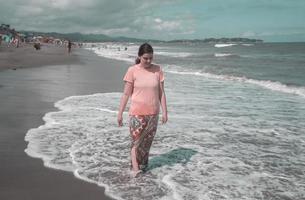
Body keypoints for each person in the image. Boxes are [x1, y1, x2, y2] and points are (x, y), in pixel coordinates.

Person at [118, 43, 168, 176]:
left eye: (151, 58)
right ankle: (135, 170)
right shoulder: (132, 70)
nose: (149, 61)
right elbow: (126, 94)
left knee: (146, 145)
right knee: (136, 143)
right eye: (146, 58)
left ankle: (142, 167)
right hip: (137, 113)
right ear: (139, 56)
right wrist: (120, 114)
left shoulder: (158, 70)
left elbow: (161, 93)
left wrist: (165, 112)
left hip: (153, 114)